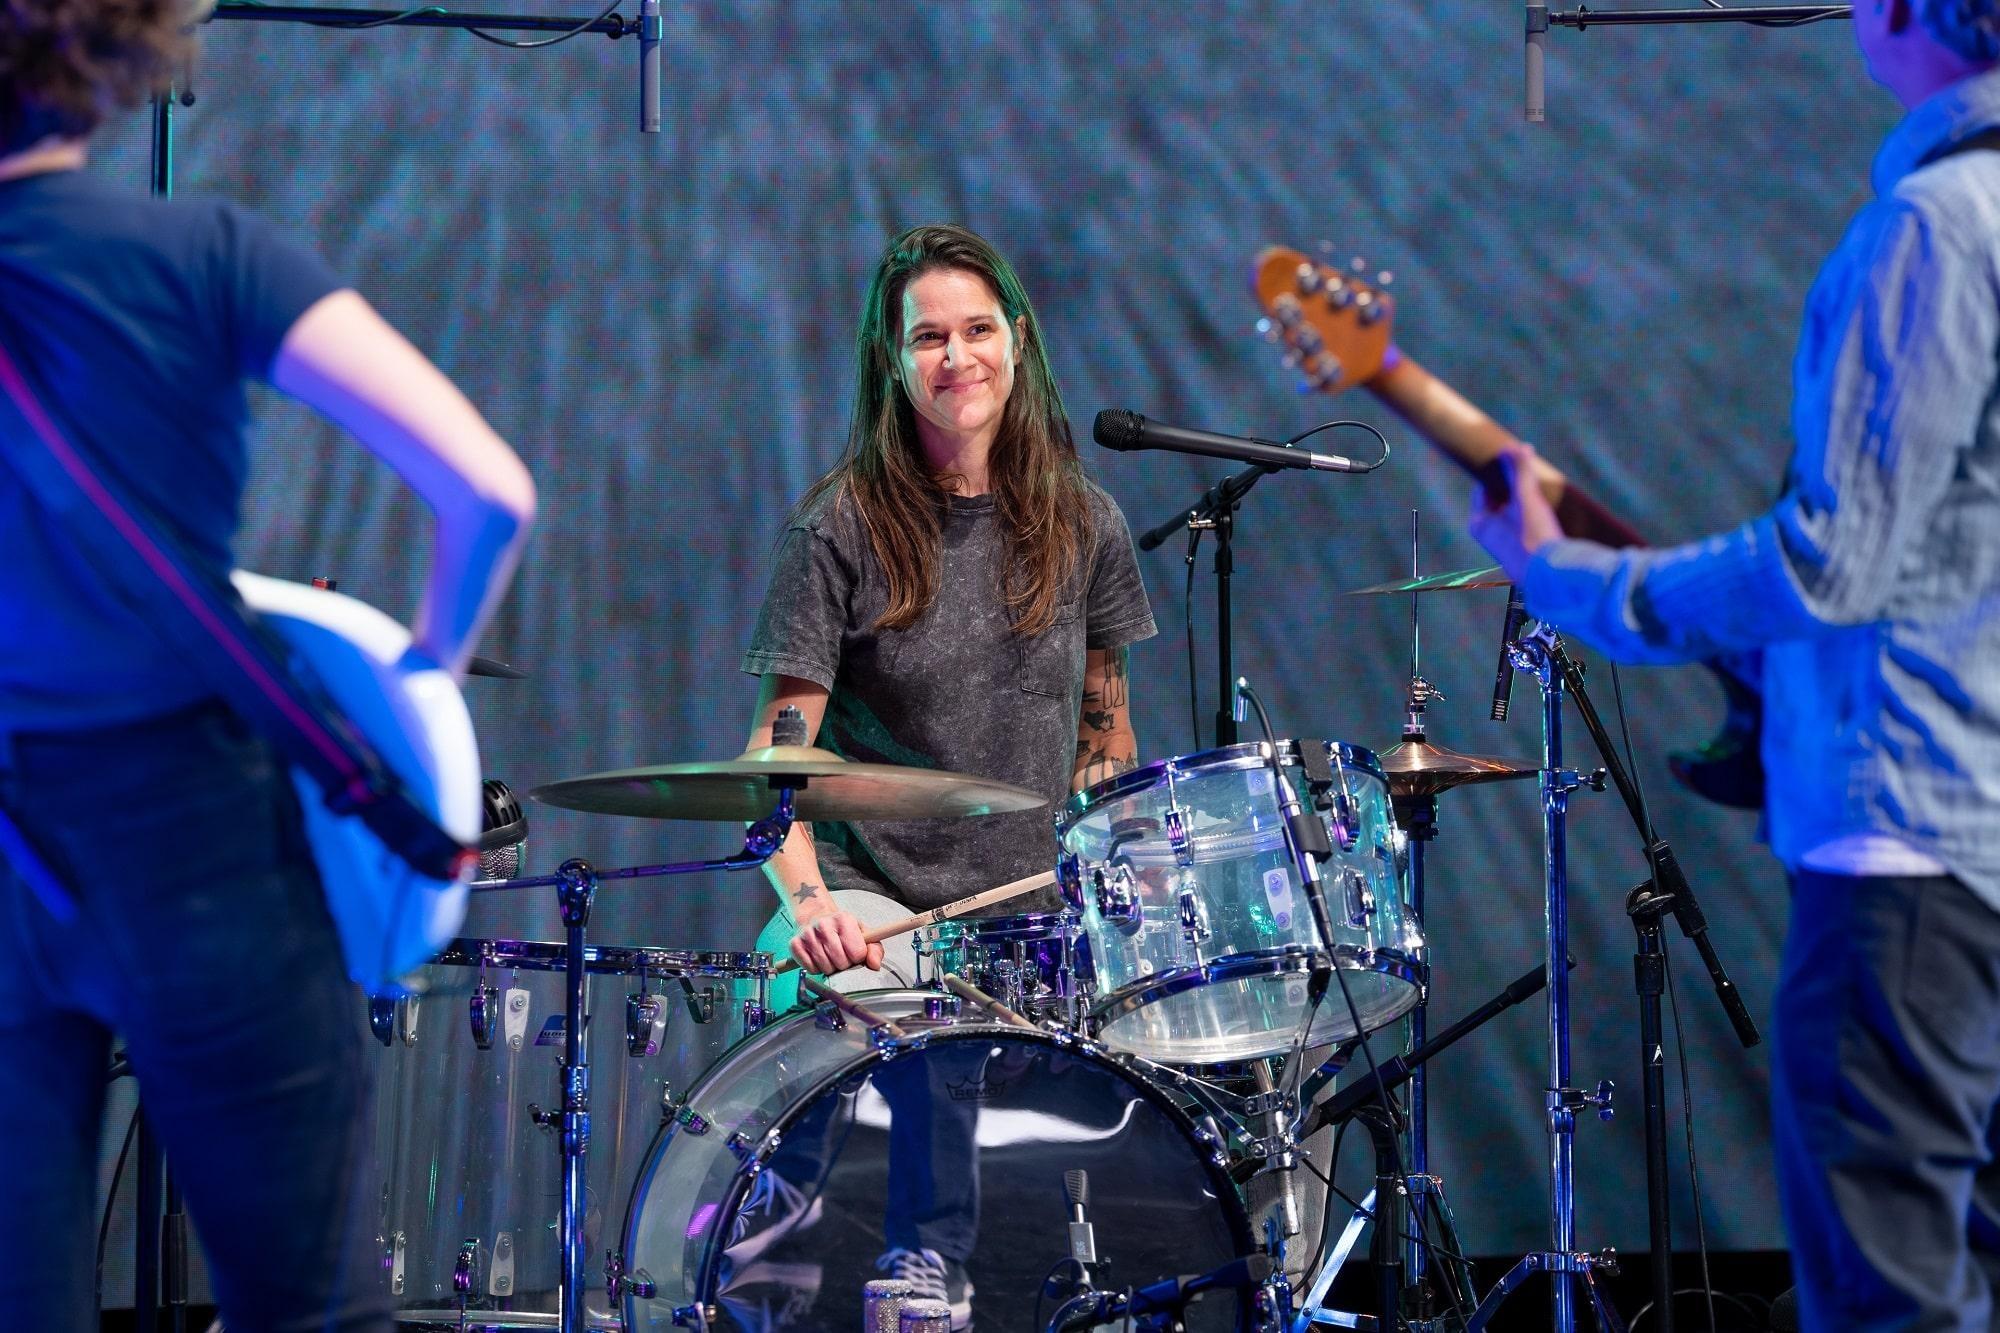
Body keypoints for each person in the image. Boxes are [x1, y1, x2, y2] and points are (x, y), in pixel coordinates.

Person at [0, 0, 537, 1328]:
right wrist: (424, 673)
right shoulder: (209, 254)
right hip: (200, 843)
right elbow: (489, 491)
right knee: (310, 1310)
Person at [1468, 3, 2000, 1326]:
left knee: (1886, 1297)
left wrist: (1574, 581)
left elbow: (1833, 562)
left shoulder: (1937, 229)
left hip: (1912, 855)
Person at [737, 222, 1157, 1326]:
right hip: (872, 899)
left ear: (1017, 340)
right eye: (929, 337)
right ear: (893, 359)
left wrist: (1116, 871)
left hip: (1028, 907)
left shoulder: (1086, 523)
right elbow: (774, 762)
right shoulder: (839, 527)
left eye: (977, 329)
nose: (957, 356)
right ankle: (829, 1273)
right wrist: (812, 906)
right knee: (889, 1019)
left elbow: (1105, 737)